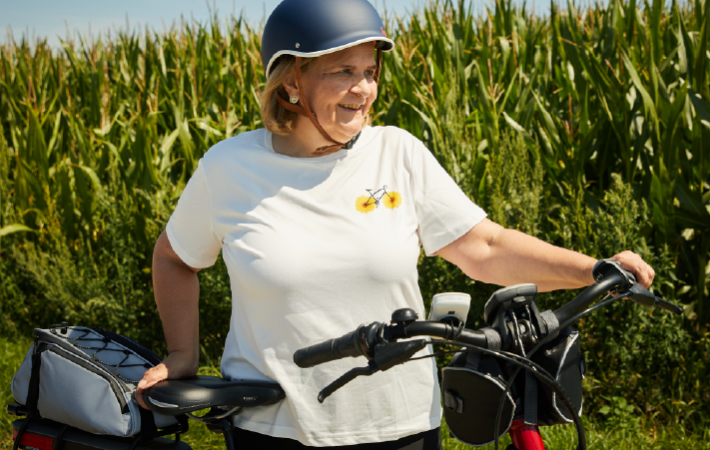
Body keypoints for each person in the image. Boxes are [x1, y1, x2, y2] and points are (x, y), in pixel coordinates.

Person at [134, 0, 655, 449]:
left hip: (401, 424)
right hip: (276, 427)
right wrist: (182, 352)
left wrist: (595, 269)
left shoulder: (397, 153)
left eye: (370, 71)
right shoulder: (228, 168)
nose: (363, 89)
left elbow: (486, 246)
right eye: (342, 71)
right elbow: (175, 257)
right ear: (290, 80)